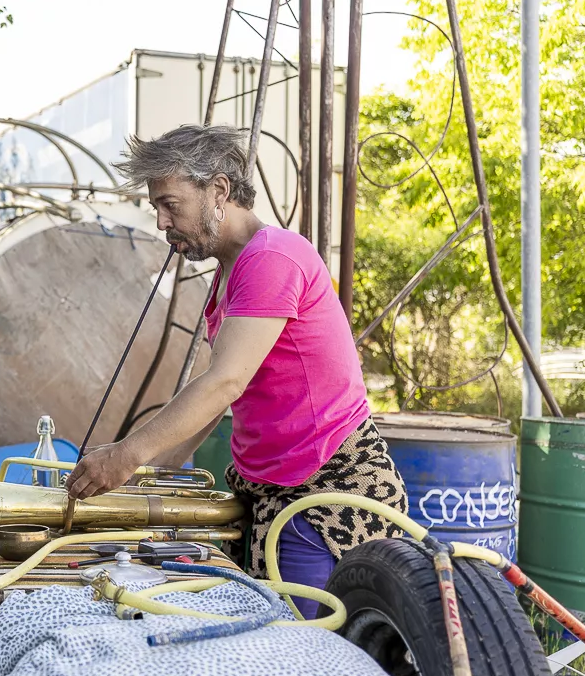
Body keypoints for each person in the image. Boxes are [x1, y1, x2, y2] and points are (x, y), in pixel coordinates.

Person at [66, 124, 406, 617]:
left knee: (301, 651)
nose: (161, 222)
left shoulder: (271, 257)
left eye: (170, 205)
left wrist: (127, 454)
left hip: (324, 496)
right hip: (275, 491)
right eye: (156, 208)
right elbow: (218, 393)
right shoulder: (233, 270)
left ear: (219, 190)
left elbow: (225, 381)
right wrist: (154, 472)